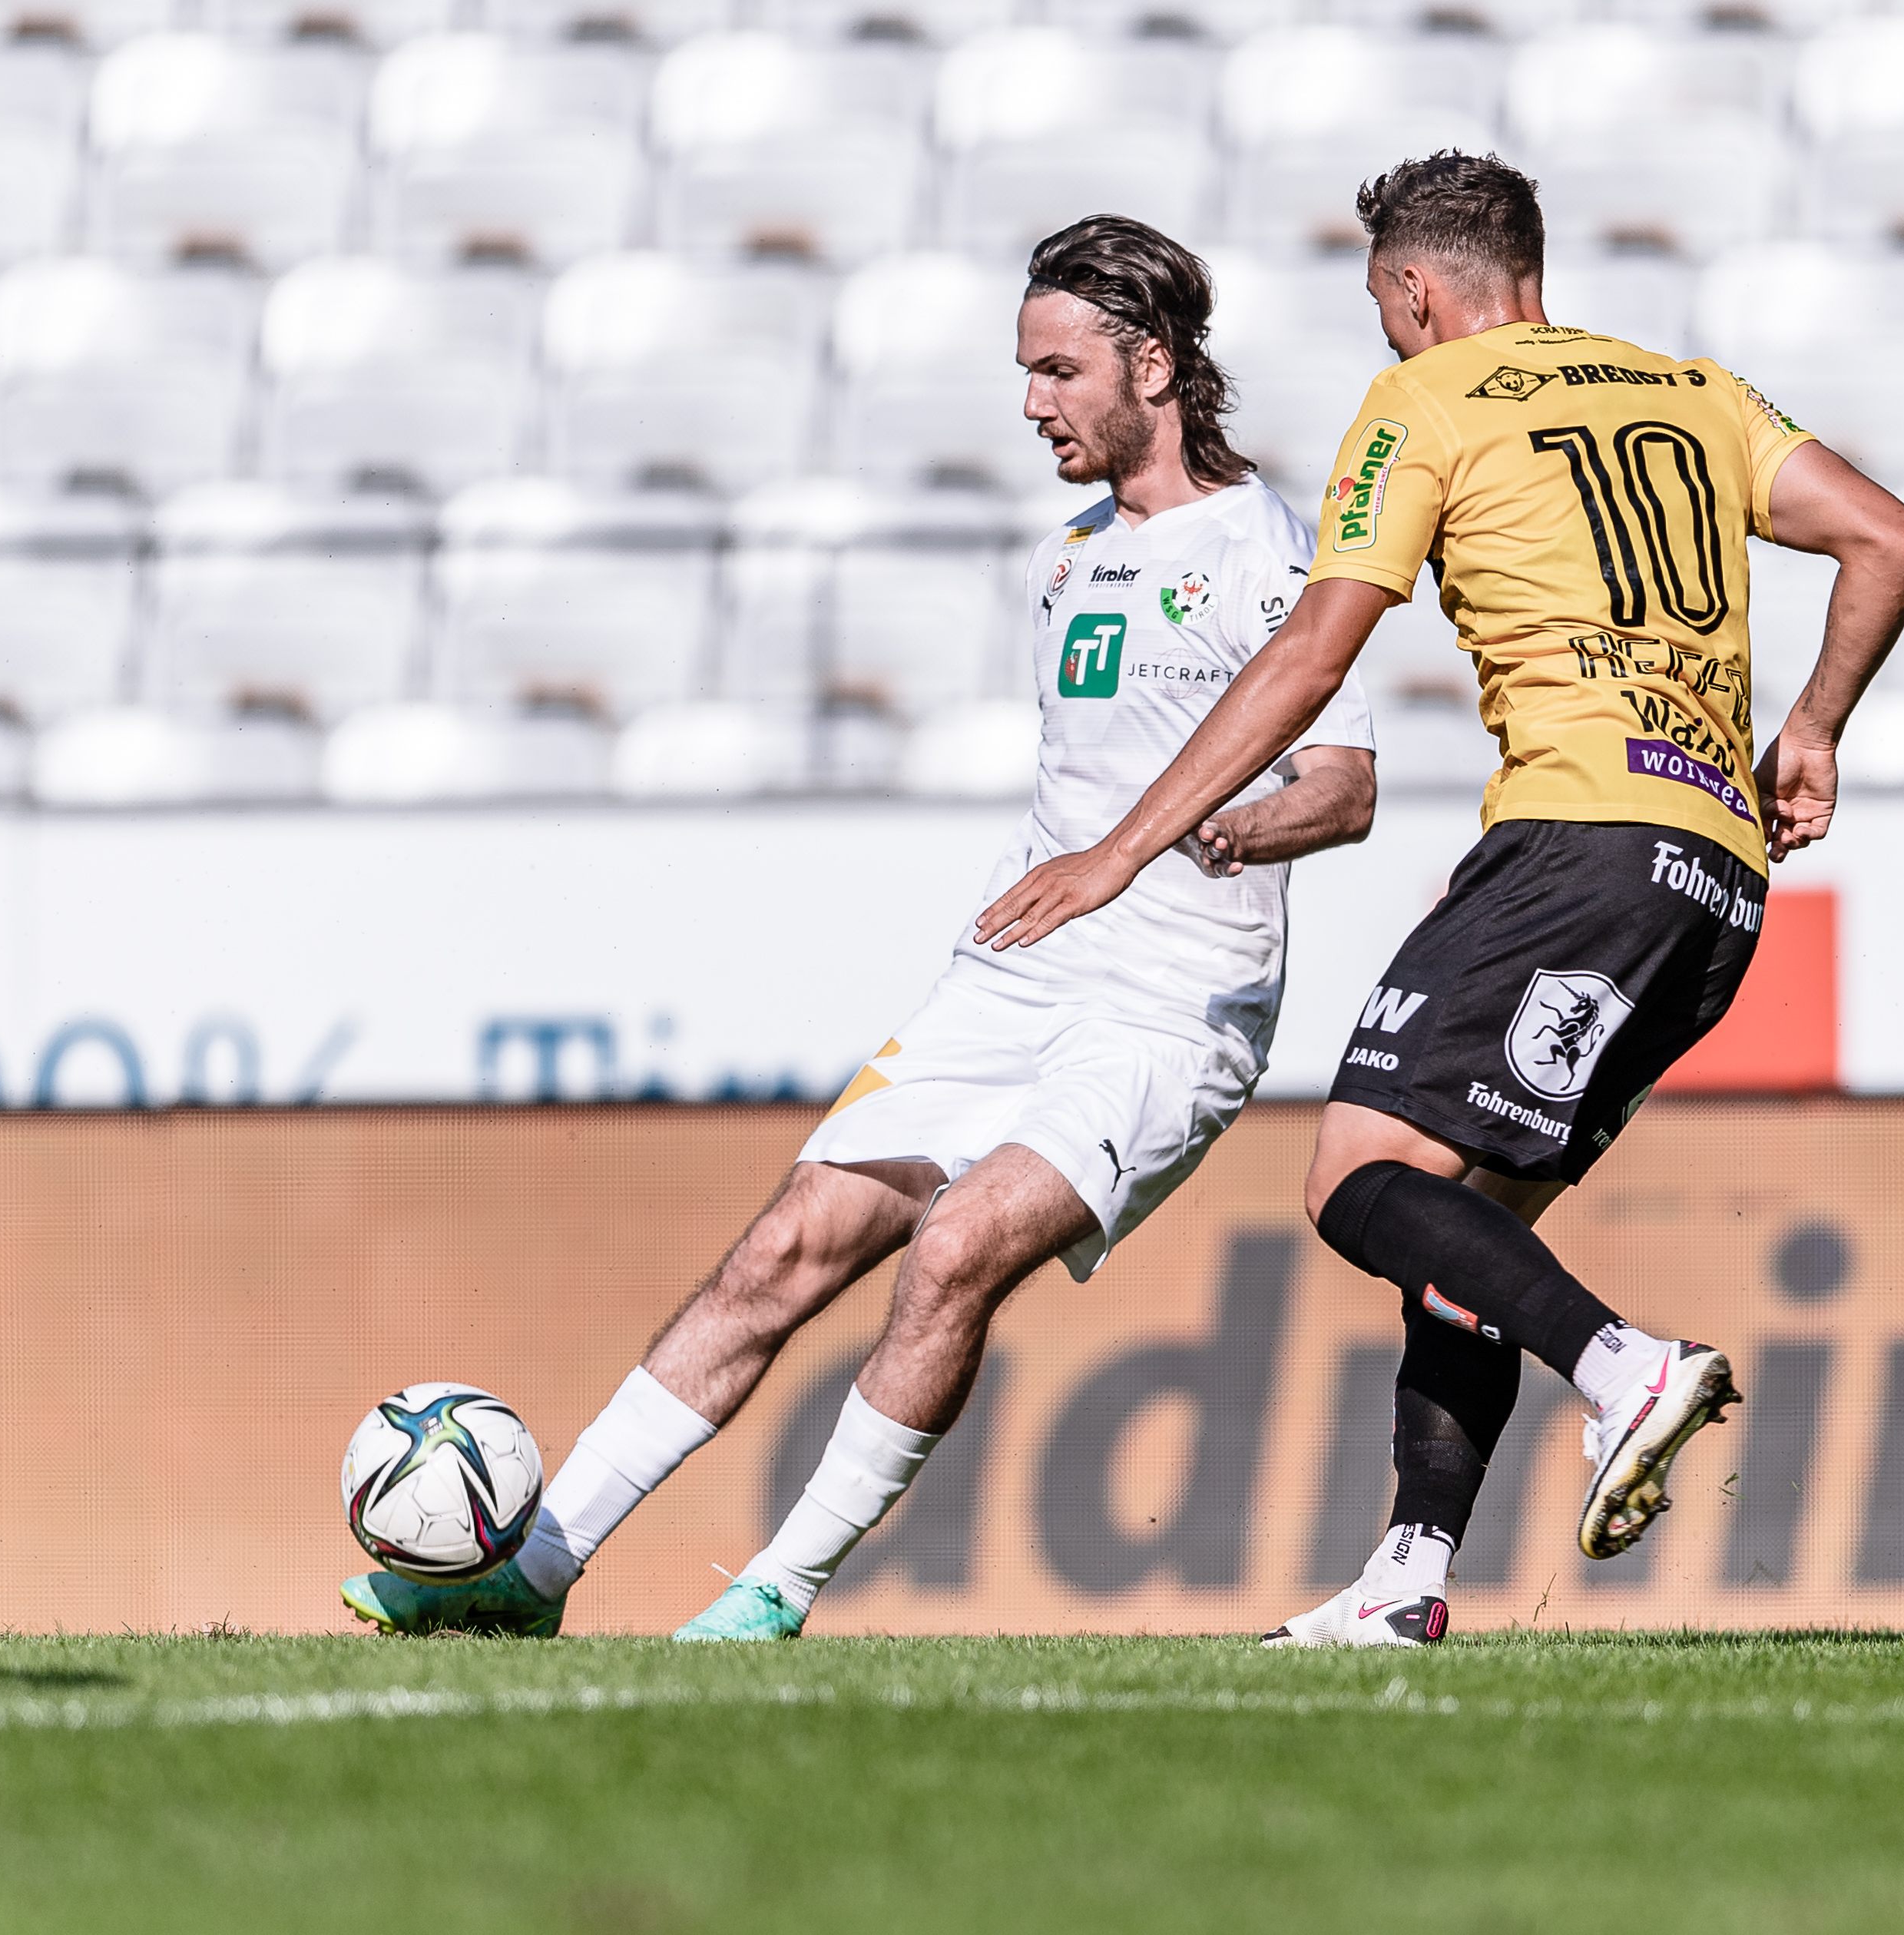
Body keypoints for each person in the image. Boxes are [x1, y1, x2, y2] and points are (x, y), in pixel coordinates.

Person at [342, 214, 1376, 1641]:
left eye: (1057, 371)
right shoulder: (1067, 557)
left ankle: (774, 1594)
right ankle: (532, 1576)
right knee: (786, 1247)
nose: (1030, 404)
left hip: (1168, 1007)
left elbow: (1345, 789)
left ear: (1150, 365)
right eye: (1024, 372)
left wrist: (1217, 831)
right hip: (1011, 977)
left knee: (956, 1249)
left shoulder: (1271, 552)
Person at [976, 154, 1904, 1648]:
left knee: (1353, 1177)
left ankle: (1623, 1368)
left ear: (1416, 292)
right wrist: (1808, 728)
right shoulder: (1696, 392)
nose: (1385, 339)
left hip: (1573, 837)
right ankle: (1408, 1577)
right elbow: (1889, 537)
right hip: (1715, 879)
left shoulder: (1425, 404)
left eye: (1381, 311)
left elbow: (1304, 658)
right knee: (1466, 1228)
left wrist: (1115, 851)